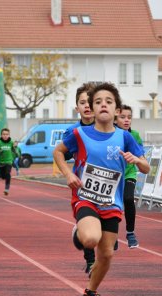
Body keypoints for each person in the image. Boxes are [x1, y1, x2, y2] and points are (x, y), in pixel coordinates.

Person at [53, 82, 150, 296]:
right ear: (92, 109)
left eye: (108, 101)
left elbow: (146, 167)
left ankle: (90, 292)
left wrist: (137, 161)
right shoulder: (79, 134)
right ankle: (80, 231)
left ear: (117, 110)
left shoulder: (125, 137)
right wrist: (68, 174)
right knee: (90, 240)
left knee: (106, 254)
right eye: (97, 102)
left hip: (111, 202)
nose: (102, 105)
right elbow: (58, 152)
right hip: (85, 196)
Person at [63, 82, 98, 274]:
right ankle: (90, 261)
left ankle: (82, 233)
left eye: (89, 102)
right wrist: (69, 174)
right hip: (82, 186)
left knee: (105, 237)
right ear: (77, 107)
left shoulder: (107, 128)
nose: (86, 106)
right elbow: (62, 153)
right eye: (82, 102)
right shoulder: (73, 132)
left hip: (106, 188)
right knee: (89, 230)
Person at [115, 104, 144, 249]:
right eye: (122, 117)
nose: (126, 120)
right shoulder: (111, 134)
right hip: (113, 175)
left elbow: (141, 155)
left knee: (128, 198)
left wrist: (137, 159)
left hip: (129, 173)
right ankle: (112, 234)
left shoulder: (135, 135)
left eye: (129, 117)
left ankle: (130, 233)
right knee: (113, 204)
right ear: (115, 118)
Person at [0, 128, 18, 196]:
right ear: (1, 135)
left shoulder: (11, 142)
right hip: (1, 163)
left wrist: (15, 150)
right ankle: (5, 179)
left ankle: (7, 189)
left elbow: (14, 150)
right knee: (3, 176)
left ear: (9, 135)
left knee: (8, 173)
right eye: (4, 134)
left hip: (9, 161)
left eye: (7, 134)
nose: (5, 136)